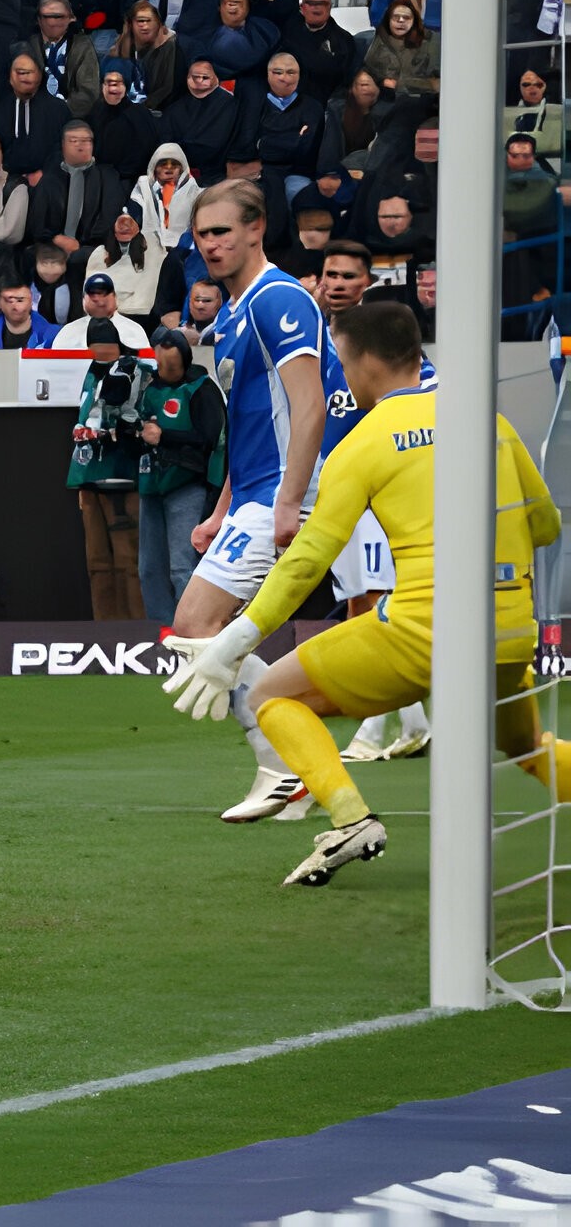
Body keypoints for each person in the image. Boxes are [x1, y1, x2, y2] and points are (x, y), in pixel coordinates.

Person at [164, 303, 565, 887]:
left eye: (339, 356)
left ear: (362, 359)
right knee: (529, 747)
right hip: (509, 631)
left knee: (274, 694)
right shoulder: (488, 421)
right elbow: (547, 524)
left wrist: (234, 640)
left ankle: (351, 820)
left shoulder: (363, 439)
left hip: (424, 634)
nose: (337, 370)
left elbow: (306, 560)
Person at [164, 179, 330, 825]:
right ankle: (291, 756)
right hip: (255, 495)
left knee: (198, 626)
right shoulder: (229, 318)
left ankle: (287, 759)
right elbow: (247, 425)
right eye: (202, 235)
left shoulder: (277, 297)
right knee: (197, 629)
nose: (210, 245)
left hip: (290, 494)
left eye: (222, 232)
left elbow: (309, 404)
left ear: (256, 229)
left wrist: (290, 502)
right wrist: (221, 509)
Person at [311, 242, 436, 764]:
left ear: (368, 283)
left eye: (348, 276)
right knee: (363, 602)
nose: (336, 284)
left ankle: (369, 730)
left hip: (383, 496)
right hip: (337, 489)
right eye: (329, 274)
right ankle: (415, 724)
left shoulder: (394, 351)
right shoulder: (317, 344)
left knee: (376, 605)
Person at [134, 329, 223, 620]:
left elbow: (211, 437)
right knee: (150, 568)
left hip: (187, 481)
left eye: (171, 365)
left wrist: (165, 436)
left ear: (184, 361)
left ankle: (191, 630)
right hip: (151, 481)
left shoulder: (201, 388)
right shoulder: (146, 386)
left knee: (183, 566)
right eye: (161, 363)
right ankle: (160, 631)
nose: (166, 370)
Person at [67, 317, 146, 620]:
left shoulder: (137, 371)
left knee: (129, 560)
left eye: (107, 346)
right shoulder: (88, 374)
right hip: (89, 477)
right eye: (95, 346)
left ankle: (136, 632)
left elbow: (139, 420)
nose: (100, 352)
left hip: (123, 477)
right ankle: (106, 632)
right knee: (97, 562)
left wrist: (112, 432)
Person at [0, 278, 59, 349]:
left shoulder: (55, 335)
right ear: (0, 303)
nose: (15, 306)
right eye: (9, 301)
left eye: (20, 300)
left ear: (31, 301)